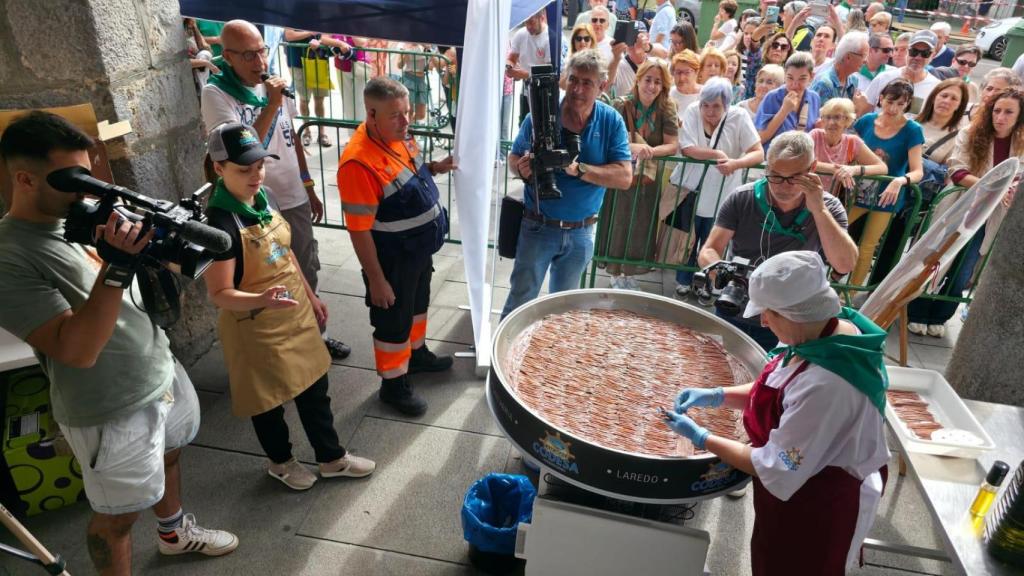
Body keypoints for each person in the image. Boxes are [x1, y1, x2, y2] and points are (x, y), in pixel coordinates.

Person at [0, 111, 239, 574]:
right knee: (117, 518)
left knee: (170, 453)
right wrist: (117, 266)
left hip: (157, 368)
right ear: (25, 180)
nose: (87, 191)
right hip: (109, 406)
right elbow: (76, 349)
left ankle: (173, 534)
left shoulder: (76, 215)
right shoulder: (10, 254)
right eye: (72, 179)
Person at [665, 250, 889, 576]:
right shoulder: (822, 330)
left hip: (815, 504)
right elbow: (777, 389)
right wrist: (717, 396)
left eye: (769, 314)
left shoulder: (829, 385)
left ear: (795, 313)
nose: (763, 321)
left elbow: (775, 464)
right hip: (796, 487)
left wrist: (703, 438)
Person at [204, 123, 376, 490]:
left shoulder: (263, 198)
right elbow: (219, 294)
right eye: (243, 170)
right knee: (267, 401)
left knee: (315, 386)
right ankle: (280, 463)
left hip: (293, 311)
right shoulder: (220, 225)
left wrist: (310, 297)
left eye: (259, 167)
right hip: (254, 326)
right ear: (219, 168)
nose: (255, 176)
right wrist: (263, 299)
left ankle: (331, 458)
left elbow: (284, 251)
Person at [202, 20, 351, 360]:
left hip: (291, 189)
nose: (260, 62)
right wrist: (269, 104)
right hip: (252, 199)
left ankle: (315, 332)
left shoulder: (274, 86)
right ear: (228, 56)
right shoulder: (216, 93)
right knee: (265, 272)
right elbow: (239, 148)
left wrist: (308, 183)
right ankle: (277, 342)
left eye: (262, 51)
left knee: (306, 262)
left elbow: (290, 134)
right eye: (249, 55)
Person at [337, 78, 456, 416]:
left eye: (406, 113)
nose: (407, 122)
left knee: (417, 306)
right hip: (393, 259)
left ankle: (416, 356)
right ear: (371, 113)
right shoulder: (358, 163)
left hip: (417, 250)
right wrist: (376, 280)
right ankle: (393, 386)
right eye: (396, 115)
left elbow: (410, 175)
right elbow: (359, 231)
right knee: (393, 322)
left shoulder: (400, 136)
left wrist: (435, 167)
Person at [697, 131, 857, 349]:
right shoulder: (742, 197)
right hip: (737, 309)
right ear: (767, 167)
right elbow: (709, 250)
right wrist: (723, 273)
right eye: (775, 176)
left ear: (812, 169)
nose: (783, 186)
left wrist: (818, 210)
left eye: (794, 178)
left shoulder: (828, 207)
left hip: (792, 321)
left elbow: (845, 264)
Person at [502, 50, 632, 318]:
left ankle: (550, 360)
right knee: (520, 301)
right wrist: (522, 169)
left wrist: (579, 169)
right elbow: (513, 158)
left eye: (587, 82)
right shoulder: (540, 115)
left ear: (602, 86)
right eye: (573, 80)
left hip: (582, 232)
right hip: (538, 225)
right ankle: (498, 359)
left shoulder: (610, 121)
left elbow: (624, 176)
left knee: (563, 310)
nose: (578, 89)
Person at [909, 88, 1024, 336]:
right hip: (959, 207)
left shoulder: (1021, 143)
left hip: (991, 217)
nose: (1000, 117)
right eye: (997, 110)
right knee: (937, 259)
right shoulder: (970, 133)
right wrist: (995, 187)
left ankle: (940, 316)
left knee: (964, 270)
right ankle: (916, 309)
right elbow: (957, 172)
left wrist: (1009, 189)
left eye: (1008, 112)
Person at [671, 78, 763, 295]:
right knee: (687, 239)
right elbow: (688, 148)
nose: (709, 111)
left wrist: (735, 163)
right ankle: (683, 280)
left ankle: (708, 284)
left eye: (716, 106)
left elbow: (758, 152)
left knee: (713, 242)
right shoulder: (693, 110)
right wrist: (718, 155)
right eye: (706, 105)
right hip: (691, 190)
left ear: (727, 105)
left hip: (723, 193)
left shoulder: (739, 116)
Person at [598, 59, 679, 290]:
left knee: (641, 224)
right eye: (648, 80)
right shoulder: (621, 105)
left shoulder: (667, 107)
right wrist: (631, 148)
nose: (652, 86)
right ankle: (615, 271)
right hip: (621, 173)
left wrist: (649, 151)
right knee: (619, 219)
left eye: (657, 82)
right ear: (638, 79)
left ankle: (630, 273)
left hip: (648, 178)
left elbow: (672, 145)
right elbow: (609, 139)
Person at [849, 79, 925, 286]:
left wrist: (900, 181)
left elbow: (918, 170)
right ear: (881, 98)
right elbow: (849, 152)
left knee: (867, 247)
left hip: (887, 196)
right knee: (837, 233)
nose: (893, 108)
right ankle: (831, 281)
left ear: (908, 104)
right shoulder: (865, 121)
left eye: (901, 104)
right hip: (857, 191)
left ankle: (849, 293)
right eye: (890, 101)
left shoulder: (912, 130)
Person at [811, 97, 888, 197]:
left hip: (829, 201)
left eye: (837, 117)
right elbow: (801, 161)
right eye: (827, 117)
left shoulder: (852, 142)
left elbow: (882, 168)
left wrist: (853, 170)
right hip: (803, 199)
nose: (831, 122)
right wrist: (835, 169)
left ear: (847, 120)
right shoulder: (815, 135)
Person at [913, 78, 970, 207]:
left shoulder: (960, 137)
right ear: (934, 97)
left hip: (918, 202)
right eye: (944, 95)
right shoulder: (912, 121)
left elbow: (948, 175)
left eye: (954, 99)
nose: (946, 101)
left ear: (960, 105)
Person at [864, 30, 940, 115]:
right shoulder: (884, 78)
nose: (918, 57)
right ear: (908, 51)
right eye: (914, 51)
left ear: (933, 55)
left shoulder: (936, 88)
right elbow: (862, 112)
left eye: (925, 53)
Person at [755, 52, 820, 149]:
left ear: (811, 77)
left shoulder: (814, 98)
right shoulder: (772, 97)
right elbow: (760, 139)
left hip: (802, 158)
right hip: (774, 157)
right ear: (785, 76)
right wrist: (784, 110)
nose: (795, 84)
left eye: (802, 79)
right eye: (790, 78)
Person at [283, 29, 335, 147]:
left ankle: (322, 133)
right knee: (304, 99)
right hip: (297, 63)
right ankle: (307, 132)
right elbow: (289, 35)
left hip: (318, 61)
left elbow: (328, 35)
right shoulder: (291, 14)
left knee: (319, 99)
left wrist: (320, 41)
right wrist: (310, 33)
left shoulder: (320, 14)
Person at [507, 10, 553, 125]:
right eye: (526, 23)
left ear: (541, 18)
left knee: (541, 125)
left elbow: (548, 71)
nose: (528, 27)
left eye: (531, 22)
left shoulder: (549, 38)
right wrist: (509, 66)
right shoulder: (521, 34)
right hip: (526, 89)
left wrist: (524, 74)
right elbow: (512, 57)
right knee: (524, 123)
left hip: (544, 91)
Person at [810, 31, 868, 105]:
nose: (866, 61)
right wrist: (857, 108)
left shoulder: (853, 80)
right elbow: (818, 115)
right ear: (848, 57)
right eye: (863, 56)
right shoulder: (824, 84)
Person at [333, 35, 374, 125]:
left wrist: (350, 27)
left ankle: (362, 132)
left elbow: (361, 42)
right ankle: (352, 135)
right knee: (348, 104)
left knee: (360, 102)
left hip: (359, 65)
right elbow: (323, 38)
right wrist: (340, 43)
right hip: (342, 66)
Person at [609, 26, 654, 98]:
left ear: (647, 38)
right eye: (631, 37)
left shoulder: (653, 63)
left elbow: (664, 53)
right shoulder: (618, 64)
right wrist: (616, 58)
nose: (634, 42)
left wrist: (647, 47)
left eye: (638, 38)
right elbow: (607, 85)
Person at [669, 50, 703, 124]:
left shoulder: (705, 94)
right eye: (678, 72)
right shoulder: (668, 94)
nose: (681, 78)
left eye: (687, 72)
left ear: (696, 72)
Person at [560, 23, 597, 90]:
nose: (582, 42)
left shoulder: (597, 62)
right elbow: (561, 86)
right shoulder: (568, 60)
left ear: (592, 41)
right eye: (579, 38)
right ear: (573, 41)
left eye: (586, 39)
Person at [738, 17, 765, 100]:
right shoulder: (737, 54)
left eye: (752, 33)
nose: (748, 37)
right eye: (746, 33)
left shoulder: (763, 57)